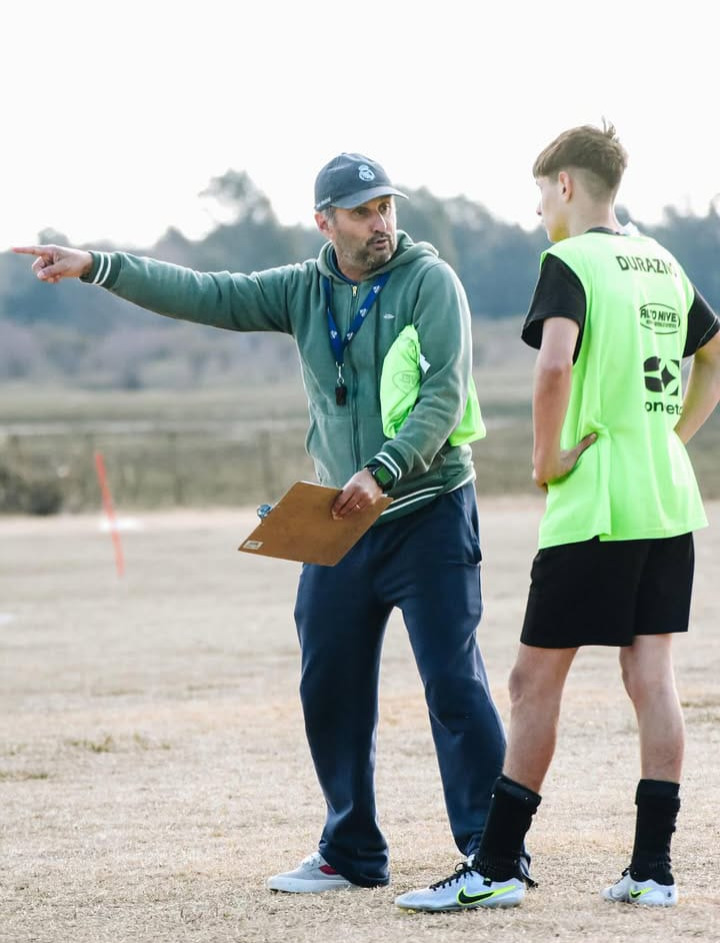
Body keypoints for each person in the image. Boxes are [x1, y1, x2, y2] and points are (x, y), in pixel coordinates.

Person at [15, 152, 520, 894]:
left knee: (452, 683)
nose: (379, 222)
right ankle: (352, 851)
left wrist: (383, 469)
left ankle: (492, 857)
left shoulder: (429, 282)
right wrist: (98, 266)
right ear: (325, 222)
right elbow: (204, 293)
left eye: (385, 207)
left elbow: (444, 394)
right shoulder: (302, 290)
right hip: (338, 520)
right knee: (328, 686)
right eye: (361, 212)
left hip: (427, 510)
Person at [394, 121, 720, 912]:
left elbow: (552, 367)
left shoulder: (569, 260)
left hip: (596, 506)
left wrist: (545, 459)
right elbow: (713, 358)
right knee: (651, 677)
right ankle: (653, 869)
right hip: (666, 499)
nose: (540, 209)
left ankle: (497, 864)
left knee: (532, 679)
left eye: (541, 192)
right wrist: (670, 439)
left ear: (566, 185)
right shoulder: (663, 261)